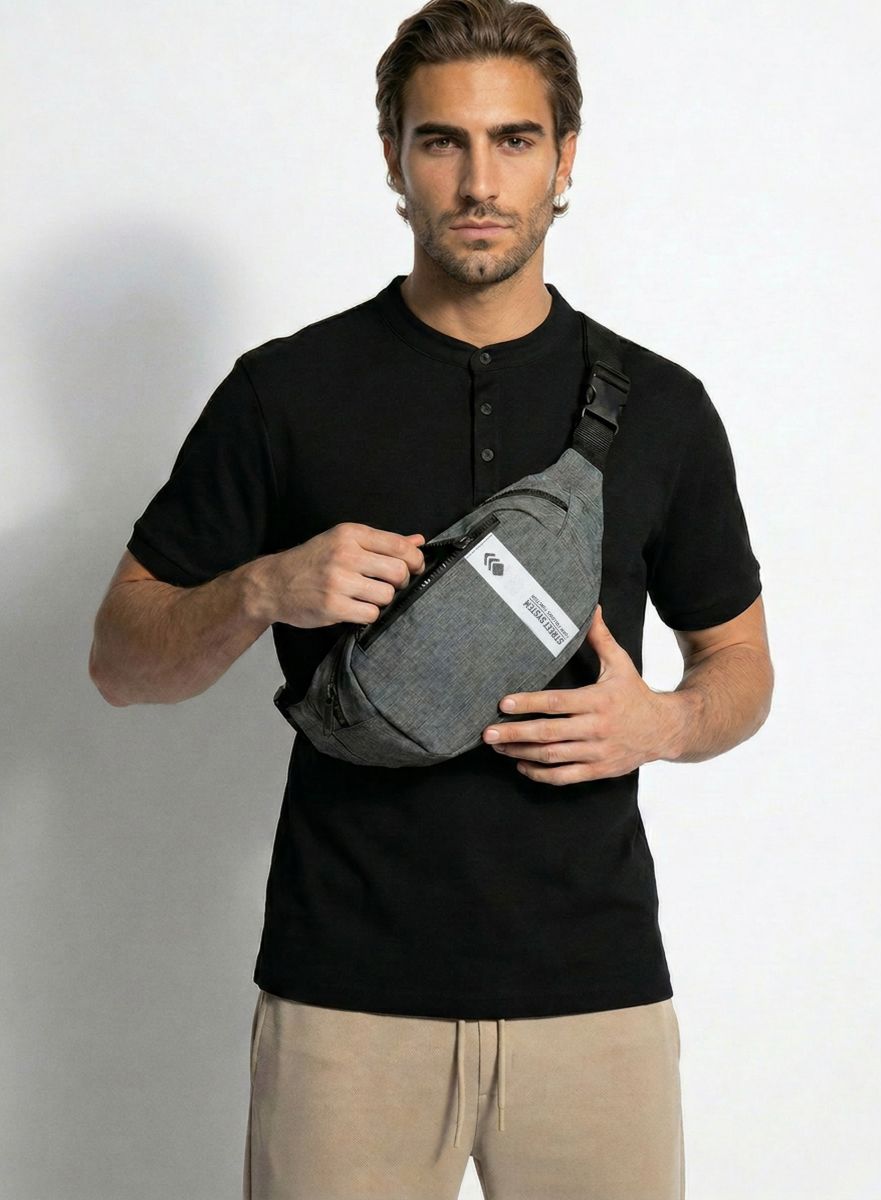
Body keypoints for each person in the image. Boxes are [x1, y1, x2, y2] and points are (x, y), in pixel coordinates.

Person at [88, 1, 774, 1196]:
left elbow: (742, 668)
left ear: (565, 159)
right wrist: (262, 586)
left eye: (515, 140)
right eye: (442, 141)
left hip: (594, 995)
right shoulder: (284, 393)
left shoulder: (663, 409)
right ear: (393, 157)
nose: (480, 181)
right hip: (344, 1002)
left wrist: (661, 722)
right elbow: (120, 660)